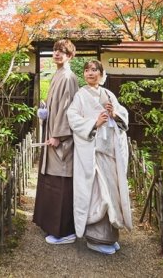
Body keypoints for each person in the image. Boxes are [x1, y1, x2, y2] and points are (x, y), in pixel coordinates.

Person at [67, 60, 132, 255]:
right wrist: (94, 123)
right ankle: (96, 238)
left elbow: (123, 115)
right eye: (87, 70)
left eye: (94, 70)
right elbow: (72, 117)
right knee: (97, 194)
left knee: (112, 192)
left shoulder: (109, 94)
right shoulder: (80, 95)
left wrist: (115, 114)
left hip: (109, 153)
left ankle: (110, 236)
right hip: (93, 155)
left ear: (101, 74)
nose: (90, 73)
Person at [32, 39, 80, 244]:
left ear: (70, 56)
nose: (57, 54)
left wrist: (59, 136)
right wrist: (45, 113)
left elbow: (68, 110)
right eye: (55, 50)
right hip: (52, 134)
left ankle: (65, 231)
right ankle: (51, 225)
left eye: (62, 51)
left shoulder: (69, 77)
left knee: (60, 182)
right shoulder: (57, 75)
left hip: (60, 139)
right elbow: (55, 107)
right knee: (50, 181)